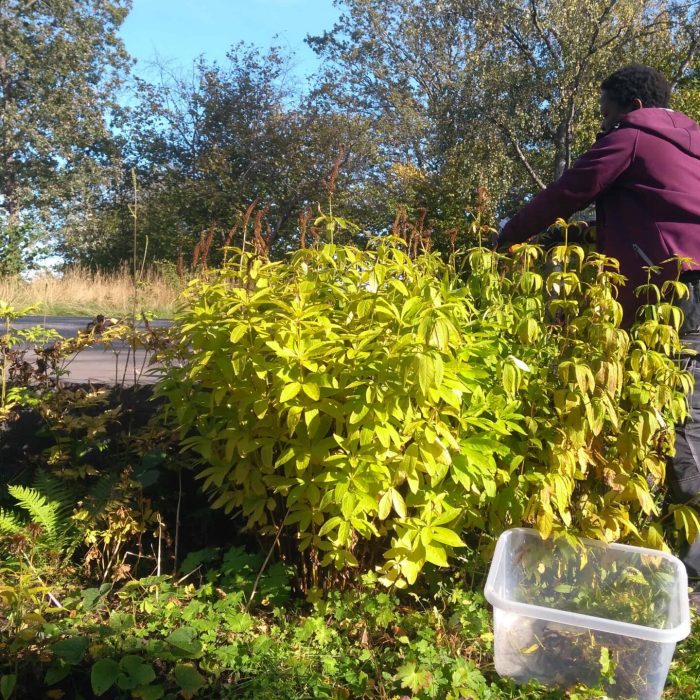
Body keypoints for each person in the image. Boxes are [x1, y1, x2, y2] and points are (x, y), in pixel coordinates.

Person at [498, 64, 700, 589]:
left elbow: (566, 191)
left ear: (628, 106)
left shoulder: (631, 138)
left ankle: (696, 575)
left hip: (675, 295)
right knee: (682, 413)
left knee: (683, 426)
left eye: (607, 112)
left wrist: (507, 236)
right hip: (690, 286)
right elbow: (666, 209)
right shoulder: (688, 144)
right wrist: (594, 232)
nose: (605, 123)